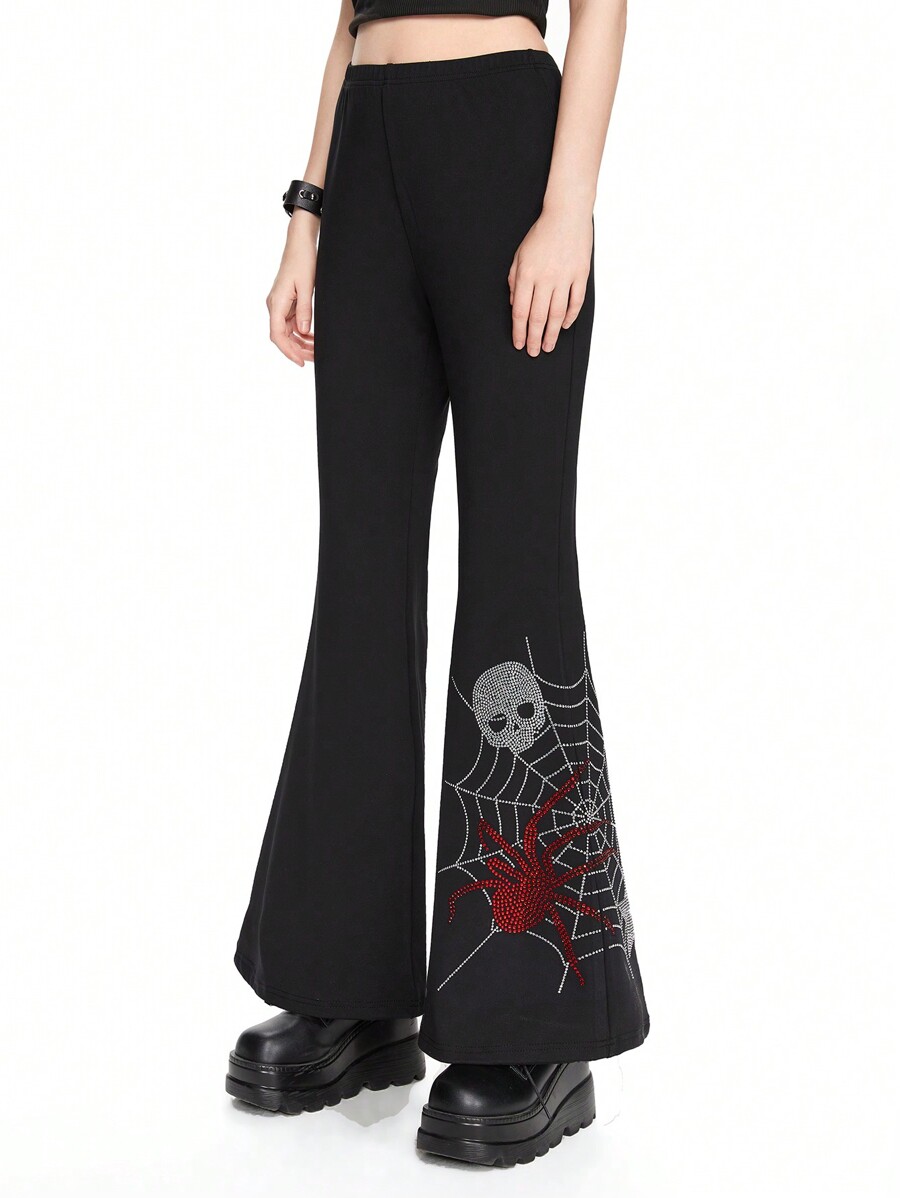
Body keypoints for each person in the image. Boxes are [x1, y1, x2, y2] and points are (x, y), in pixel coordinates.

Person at [226, 0, 649, 1167]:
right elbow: (348, 18)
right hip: (366, 157)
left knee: (516, 572)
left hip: (504, 145)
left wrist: (568, 206)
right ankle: (348, 990)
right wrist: (307, 215)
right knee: (358, 576)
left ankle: (538, 1025)